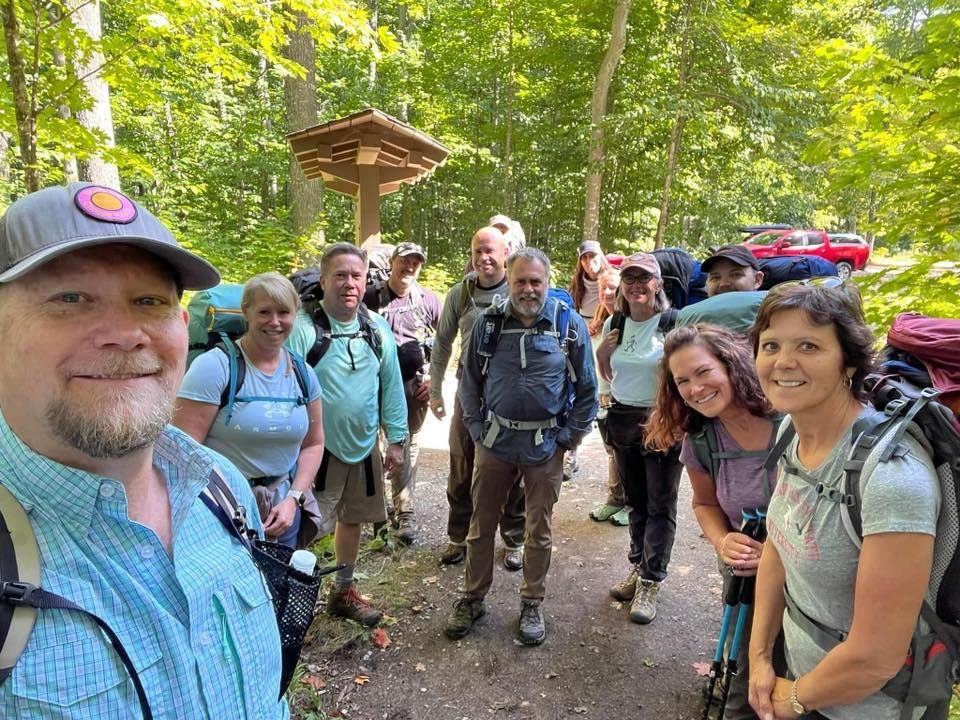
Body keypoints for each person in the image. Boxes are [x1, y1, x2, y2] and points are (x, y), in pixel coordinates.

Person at [0, 183, 288, 717]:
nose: (126, 333)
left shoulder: (221, 488)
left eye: (149, 301)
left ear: (181, 328)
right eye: (70, 299)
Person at [747, 285, 939, 720]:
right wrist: (760, 656)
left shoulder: (893, 480)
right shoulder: (790, 431)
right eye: (770, 345)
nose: (783, 362)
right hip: (799, 677)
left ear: (848, 362)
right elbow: (779, 542)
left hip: (872, 708)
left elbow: (875, 657)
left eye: (808, 346)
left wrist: (792, 699)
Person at [444, 247, 598, 645]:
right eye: (520, 282)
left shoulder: (567, 325)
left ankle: (532, 601)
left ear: (548, 281)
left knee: (538, 529)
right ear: (509, 282)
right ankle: (472, 598)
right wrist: (477, 430)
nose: (528, 290)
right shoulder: (488, 323)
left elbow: (587, 390)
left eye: (536, 281)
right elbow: (470, 383)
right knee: (481, 527)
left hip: (546, 445)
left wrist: (568, 439)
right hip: (495, 442)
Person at [645, 323, 782, 720]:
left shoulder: (791, 417)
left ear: (731, 364)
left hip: (813, 576)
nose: (695, 388)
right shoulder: (702, 438)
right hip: (748, 574)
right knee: (750, 679)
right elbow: (704, 503)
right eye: (682, 380)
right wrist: (723, 540)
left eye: (703, 372)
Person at [174, 272, 325, 549]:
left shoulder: (303, 373)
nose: (275, 322)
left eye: (283, 312)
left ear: (295, 315)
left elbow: (314, 443)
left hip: (282, 510)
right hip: (220, 509)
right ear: (246, 312)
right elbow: (181, 449)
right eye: (264, 312)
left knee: (280, 587)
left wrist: (294, 498)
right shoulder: (215, 368)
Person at [307, 243, 408, 626]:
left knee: (353, 519)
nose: (350, 283)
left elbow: (391, 387)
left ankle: (343, 592)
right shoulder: (305, 330)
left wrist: (396, 440)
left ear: (365, 281)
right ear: (323, 280)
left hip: (364, 446)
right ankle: (286, 597)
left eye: (356, 276)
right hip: (317, 453)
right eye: (340, 275)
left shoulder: (376, 328)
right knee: (304, 526)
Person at [428, 226, 526, 569]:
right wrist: (436, 390)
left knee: (513, 467)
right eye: (477, 251)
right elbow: (442, 343)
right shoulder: (461, 293)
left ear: (505, 254)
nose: (483, 257)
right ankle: (460, 536)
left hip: (508, 394)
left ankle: (514, 537)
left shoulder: (519, 289)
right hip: (469, 392)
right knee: (462, 463)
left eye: (490, 251)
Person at [595, 252, 682, 625]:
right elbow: (605, 376)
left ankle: (651, 579)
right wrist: (602, 354)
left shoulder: (672, 324)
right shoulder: (615, 322)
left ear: (657, 283)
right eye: (629, 279)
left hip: (662, 421)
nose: (635, 286)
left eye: (643, 278)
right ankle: (638, 566)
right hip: (623, 418)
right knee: (635, 502)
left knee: (660, 504)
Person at [363, 242, 442, 544]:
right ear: (392, 262)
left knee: (407, 444)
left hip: (412, 385)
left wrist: (433, 378)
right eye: (404, 261)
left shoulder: (427, 301)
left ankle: (404, 510)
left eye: (416, 263)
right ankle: (379, 509)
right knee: (372, 444)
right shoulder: (370, 297)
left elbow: (445, 339)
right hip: (373, 384)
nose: (409, 267)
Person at [564, 240, 611, 481]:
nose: (589, 262)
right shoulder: (577, 283)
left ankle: (614, 461)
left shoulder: (611, 279)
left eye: (593, 257)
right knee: (575, 390)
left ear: (600, 256)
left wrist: (599, 323)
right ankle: (571, 455)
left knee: (601, 393)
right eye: (584, 258)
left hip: (603, 335)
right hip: (580, 334)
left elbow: (615, 308)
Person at [587, 266, 630, 526]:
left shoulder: (632, 323)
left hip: (626, 400)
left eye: (613, 287)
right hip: (604, 401)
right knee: (612, 453)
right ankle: (615, 500)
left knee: (626, 453)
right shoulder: (601, 324)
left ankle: (632, 504)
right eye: (603, 288)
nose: (607, 292)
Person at [676, 245, 767, 335]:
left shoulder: (773, 311)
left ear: (757, 280)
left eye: (735, 275)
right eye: (715, 277)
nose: (723, 284)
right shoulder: (689, 317)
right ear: (706, 283)